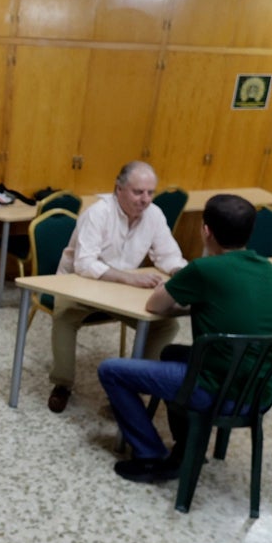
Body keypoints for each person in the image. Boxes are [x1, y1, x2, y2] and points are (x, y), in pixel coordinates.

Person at [97, 194, 272, 483]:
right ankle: (188, 446)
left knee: (111, 371)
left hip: (220, 391)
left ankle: (150, 455)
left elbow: (155, 305)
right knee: (172, 352)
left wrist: (192, 297)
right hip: (260, 391)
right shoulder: (268, 270)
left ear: (205, 230)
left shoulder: (205, 269)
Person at [47, 161, 187, 413]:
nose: (145, 199)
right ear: (118, 189)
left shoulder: (154, 215)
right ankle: (62, 384)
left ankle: (132, 387)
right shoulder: (98, 213)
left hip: (120, 291)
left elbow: (169, 254)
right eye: (138, 192)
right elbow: (85, 264)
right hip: (79, 285)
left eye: (150, 192)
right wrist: (128, 278)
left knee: (166, 324)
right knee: (64, 317)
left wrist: (178, 271)